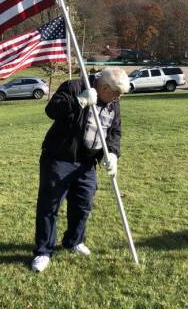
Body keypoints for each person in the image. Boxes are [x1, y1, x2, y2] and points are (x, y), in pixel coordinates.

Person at [31, 66, 130, 272]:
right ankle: (43, 251)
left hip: (87, 163)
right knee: (50, 206)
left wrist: (112, 153)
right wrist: (80, 101)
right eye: (117, 94)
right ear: (103, 87)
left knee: (83, 204)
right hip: (59, 158)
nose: (118, 98)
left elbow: (114, 131)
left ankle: (73, 241)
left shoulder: (113, 103)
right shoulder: (74, 86)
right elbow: (52, 109)